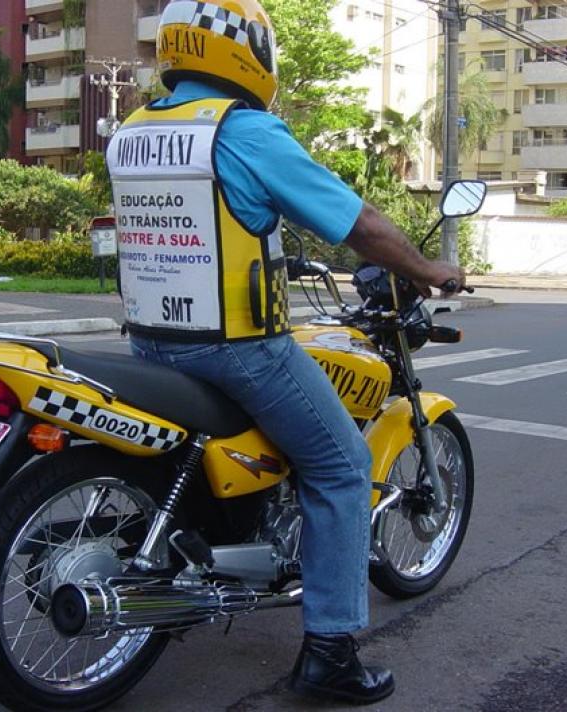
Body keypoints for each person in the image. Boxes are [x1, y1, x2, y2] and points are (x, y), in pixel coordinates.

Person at [105, 0, 464, 704]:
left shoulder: (137, 129)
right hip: (236, 350)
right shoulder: (243, 131)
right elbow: (356, 223)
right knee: (340, 465)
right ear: (244, 51)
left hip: (152, 341)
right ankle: (330, 650)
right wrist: (429, 270)